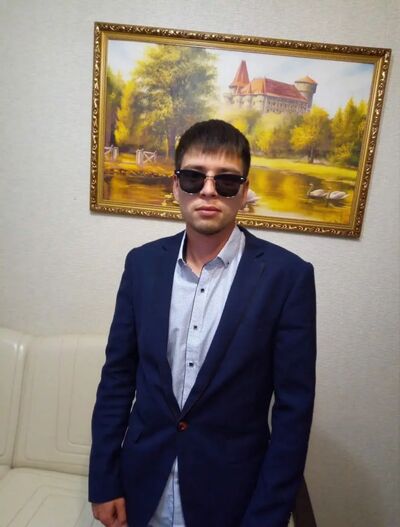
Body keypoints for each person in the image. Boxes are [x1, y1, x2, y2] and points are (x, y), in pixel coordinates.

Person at [89, 120, 316, 527]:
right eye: (195, 177)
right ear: (177, 185)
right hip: (143, 487)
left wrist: (267, 516)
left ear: (244, 191)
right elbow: (117, 378)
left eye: (226, 181)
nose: (209, 190)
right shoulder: (141, 265)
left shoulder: (288, 277)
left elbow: (293, 412)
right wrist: (104, 481)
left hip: (232, 498)